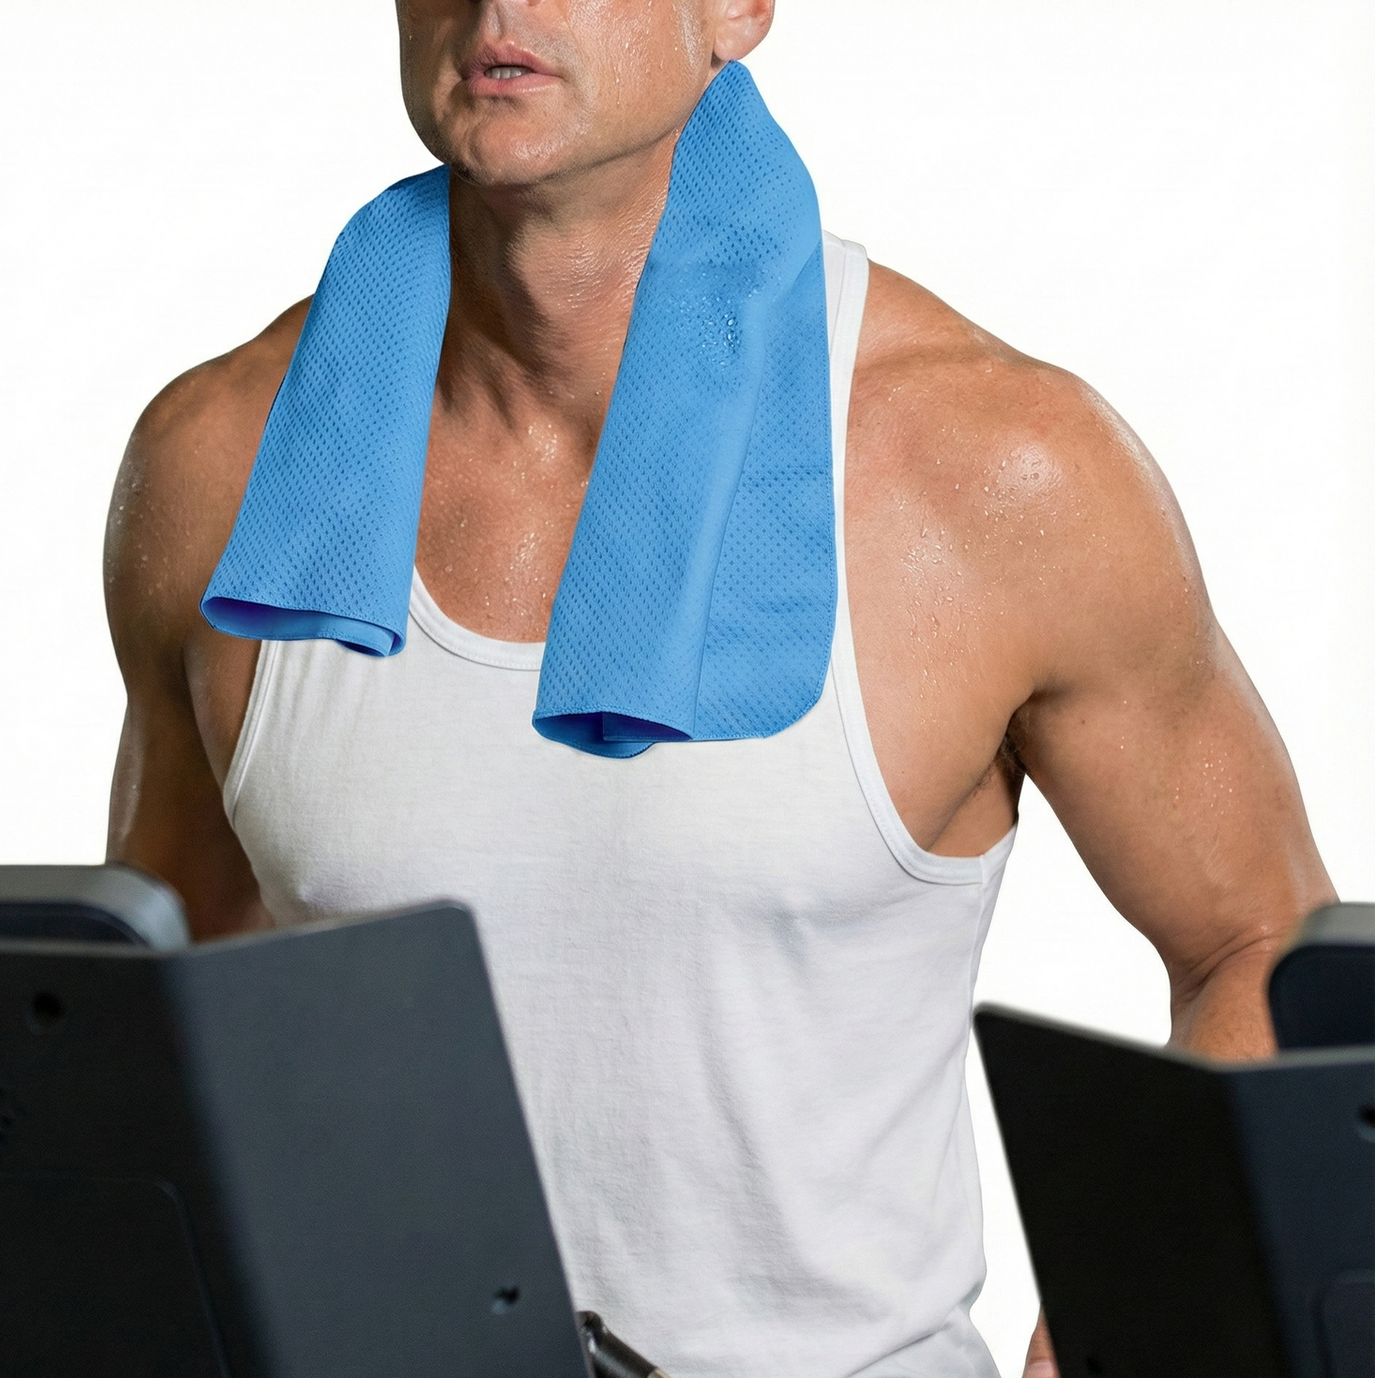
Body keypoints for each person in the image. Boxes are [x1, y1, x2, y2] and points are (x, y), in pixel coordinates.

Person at [103, 2, 1335, 1375]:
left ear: (739, 8)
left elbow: (1261, 943)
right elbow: (162, 1012)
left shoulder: (997, 468)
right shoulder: (219, 469)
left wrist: (1121, 1327)